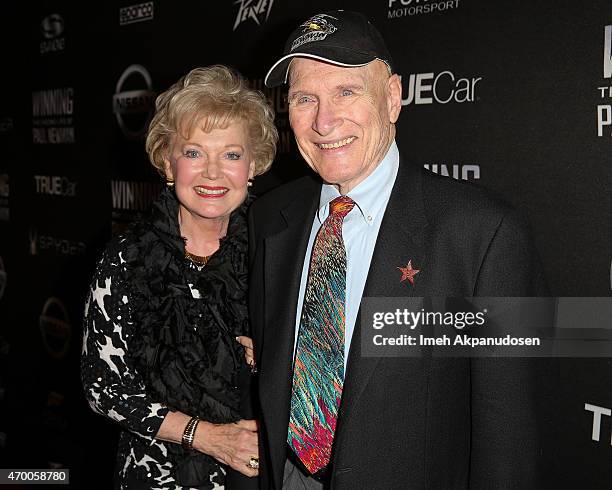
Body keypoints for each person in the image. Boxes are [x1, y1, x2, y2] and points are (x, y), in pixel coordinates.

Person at [248, 10, 550, 489]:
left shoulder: (485, 235)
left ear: (392, 98)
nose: (324, 121)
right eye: (306, 98)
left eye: (347, 91)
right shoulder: (270, 218)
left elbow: (508, 436)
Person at [81, 65, 278, 489]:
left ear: (253, 166)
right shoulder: (124, 259)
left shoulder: (277, 252)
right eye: (194, 152)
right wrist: (204, 436)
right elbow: (103, 387)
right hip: (154, 476)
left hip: (258, 476)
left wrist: (275, 356)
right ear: (168, 163)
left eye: (231, 154)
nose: (212, 172)